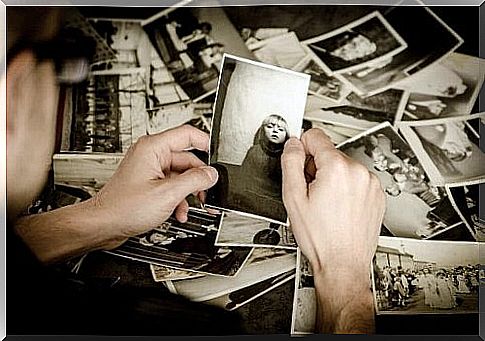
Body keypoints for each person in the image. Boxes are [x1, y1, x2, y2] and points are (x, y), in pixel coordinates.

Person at [5, 7, 385, 335]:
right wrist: (345, 282)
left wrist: (99, 220)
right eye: (63, 61)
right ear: (15, 92)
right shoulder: (167, 324)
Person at [237, 114, 291, 222]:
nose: (275, 131)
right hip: (251, 198)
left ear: (286, 136)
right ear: (262, 130)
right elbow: (243, 177)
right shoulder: (254, 151)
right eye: (270, 127)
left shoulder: (287, 157)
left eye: (281, 129)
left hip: (275, 202)